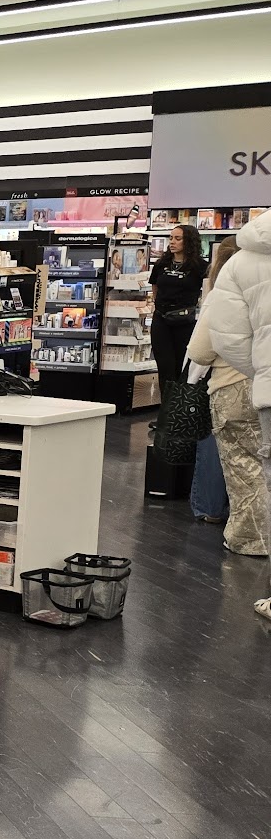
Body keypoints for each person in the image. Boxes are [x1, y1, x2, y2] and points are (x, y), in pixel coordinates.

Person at [199, 210, 271, 620]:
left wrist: (259, 371)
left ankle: (250, 540)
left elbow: (221, 338)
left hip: (253, 389)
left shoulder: (241, 263)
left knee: (250, 469)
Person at [190, 240, 264, 557]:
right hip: (265, 386)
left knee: (243, 469)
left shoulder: (225, 294)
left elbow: (199, 351)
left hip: (232, 388)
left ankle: (250, 539)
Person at [151, 223, 207, 383]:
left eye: (177, 238)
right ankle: (166, 398)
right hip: (161, 320)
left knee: (182, 366)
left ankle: (179, 398)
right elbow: (155, 287)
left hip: (185, 321)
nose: (172, 242)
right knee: (164, 366)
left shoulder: (200, 266)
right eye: (171, 238)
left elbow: (207, 291)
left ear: (188, 241)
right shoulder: (161, 264)